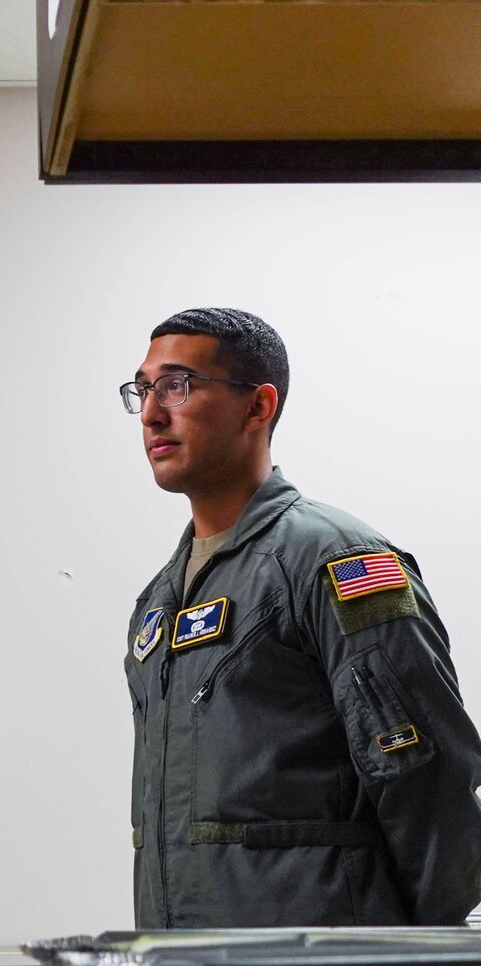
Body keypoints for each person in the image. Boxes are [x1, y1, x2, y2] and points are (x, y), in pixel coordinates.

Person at [122, 307, 481, 929]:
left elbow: (424, 772)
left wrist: (403, 953)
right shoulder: (160, 599)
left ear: (258, 407)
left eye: (177, 386)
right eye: (143, 390)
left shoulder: (338, 560)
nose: (153, 411)